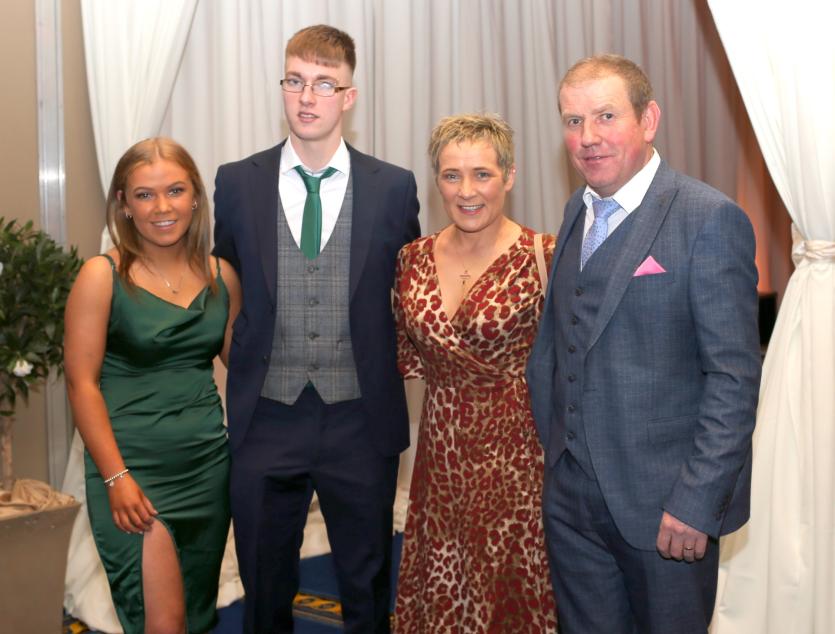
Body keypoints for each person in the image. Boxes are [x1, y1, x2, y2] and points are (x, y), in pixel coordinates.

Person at [526, 54, 761, 633]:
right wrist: (557, 462)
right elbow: (560, 346)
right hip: (572, 505)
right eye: (573, 121)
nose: (587, 138)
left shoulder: (708, 219)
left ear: (648, 119)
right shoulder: (577, 213)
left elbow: (733, 379)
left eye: (606, 116)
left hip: (665, 513)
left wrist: (696, 501)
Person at [212, 24, 420, 634]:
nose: (307, 97)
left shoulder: (394, 188)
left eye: (324, 84)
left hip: (359, 417)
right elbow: (229, 286)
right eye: (296, 81)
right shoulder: (236, 181)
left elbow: (407, 290)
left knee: (366, 582)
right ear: (283, 86)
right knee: (264, 582)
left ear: (348, 97)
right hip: (266, 417)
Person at [64, 137, 242, 634]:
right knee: (161, 623)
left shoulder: (220, 277)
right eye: (144, 194)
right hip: (133, 472)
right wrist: (116, 478)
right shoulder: (101, 277)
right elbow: (81, 386)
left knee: (199, 615)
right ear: (123, 203)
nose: (162, 207)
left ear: (195, 198)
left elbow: (246, 367)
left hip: (207, 467)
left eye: (175, 190)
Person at [393, 113, 557, 633]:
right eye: (451, 175)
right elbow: (402, 357)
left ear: (508, 176)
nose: (467, 191)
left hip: (520, 460)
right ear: (435, 179)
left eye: (482, 174)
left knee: (514, 592)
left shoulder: (545, 257)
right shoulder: (412, 260)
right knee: (444, 588)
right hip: (440, 456)